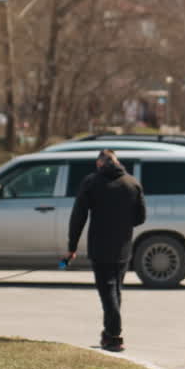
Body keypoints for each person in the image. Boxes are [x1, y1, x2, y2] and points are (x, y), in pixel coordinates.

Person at [66, 150, 147, 352]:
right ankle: (108, 333)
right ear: (117, 162)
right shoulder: (132, 183)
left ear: (99, 163)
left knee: (108, 289)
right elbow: (140, 218)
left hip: (100, 245)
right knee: (115, 289)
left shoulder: (92, 182)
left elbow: (79, 216)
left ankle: (114, 335)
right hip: (123, 246)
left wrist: (72, 247)